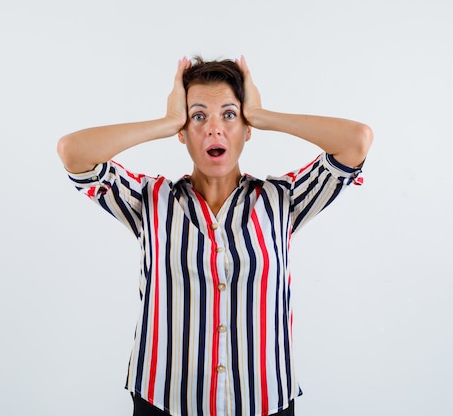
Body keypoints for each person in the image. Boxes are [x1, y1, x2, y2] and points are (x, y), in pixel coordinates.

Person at [57, 56, 373, 416]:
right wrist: (166, 122)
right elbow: (73, 153)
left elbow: (357, 142)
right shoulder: (150, 201)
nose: (214, 129)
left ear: (247, 127)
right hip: (165, 402)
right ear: (183, 132)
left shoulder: (282, 199)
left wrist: (263, 114)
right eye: (198, 116)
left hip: (264, 403)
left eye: (229, 114)